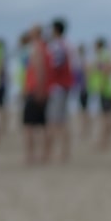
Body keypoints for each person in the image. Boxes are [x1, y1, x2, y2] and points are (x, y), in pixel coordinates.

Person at [44, 18, 73, 162]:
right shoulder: (65, 44)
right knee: (61, 121)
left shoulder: (57, 46)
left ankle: (51, 153)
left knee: (55, 121)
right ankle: (63, 153)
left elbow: (54, 67)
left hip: (58, 87)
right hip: (63, 87)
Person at [21, 24, 49, 164]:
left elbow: (39, 70)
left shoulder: (37, 48)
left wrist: (38, 89)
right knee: (42, 125)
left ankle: (31, 156)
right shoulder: (43, 47)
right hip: (39, 89)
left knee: (29, 126)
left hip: (35, 90)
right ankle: (43, 154)